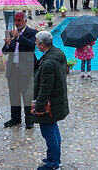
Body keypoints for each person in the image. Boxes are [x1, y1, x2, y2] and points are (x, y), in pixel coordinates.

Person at [32, 31, 70, 170]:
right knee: (53, 130)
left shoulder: (49, 63)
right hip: (57, 101)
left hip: (50, 105)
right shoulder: (57, 54)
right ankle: (54, 158)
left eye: (37, 43)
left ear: (42, 45)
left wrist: (39, 107)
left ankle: (53, 164)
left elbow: (45, 88)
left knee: (48, 133)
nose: (36, 45)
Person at [3, 12, 37, 129]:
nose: (17, 23)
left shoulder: (32, 32)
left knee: (27, 96)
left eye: (19, 20)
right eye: (16, 20)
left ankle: (30, 119)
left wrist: (19, 37)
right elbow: (5, 51)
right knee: (14, 95)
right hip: (13, 69)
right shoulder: (12, 33)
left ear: (25, 21)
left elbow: (32, 46)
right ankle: (15, 118)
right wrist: (7, 44)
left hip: (26, 70)